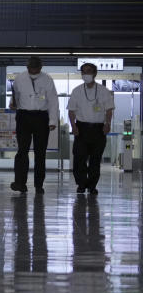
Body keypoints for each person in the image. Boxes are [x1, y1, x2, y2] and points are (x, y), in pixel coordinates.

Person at [10, 56, 59, 194]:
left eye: (36, 68)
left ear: (41, 67)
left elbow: (53, 101)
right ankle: (20, 183)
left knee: (40, 153)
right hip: (23, 116)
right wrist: (12, 104)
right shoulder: (19, 78)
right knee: (22, 151)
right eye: (31, 68)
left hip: (41, 117)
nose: (33, 70)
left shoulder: (47, 79)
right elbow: (15, 96)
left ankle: (39, 184)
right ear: (27, 67)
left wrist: (52, 121)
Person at [67, 62, 114, 195]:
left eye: (88, 71)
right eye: (83, 72)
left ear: (94, 74)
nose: (86, 74)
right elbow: (71, 111)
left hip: (98, 129)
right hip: (81, 128)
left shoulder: (103, 91)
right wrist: (73, 126)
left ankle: (92, 185)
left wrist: (108, 124)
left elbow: (109, 110)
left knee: (95, 159)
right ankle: (81, 184)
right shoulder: (76, 91)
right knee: (79, 158)